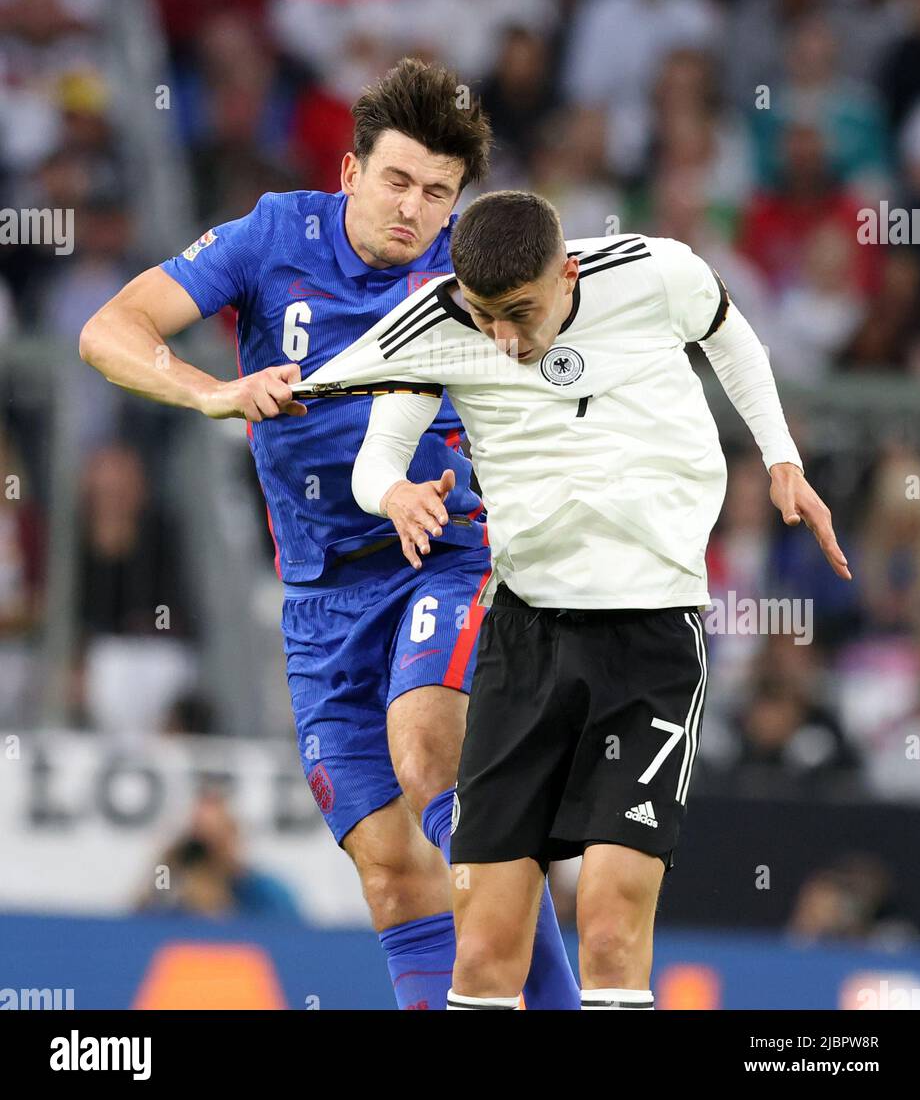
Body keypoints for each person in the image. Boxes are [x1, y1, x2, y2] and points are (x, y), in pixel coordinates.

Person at [78, 61, 578, 1010]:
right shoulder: (274, 235)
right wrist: (212, 391)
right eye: (396, 180)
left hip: (449, 553)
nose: (412, 209)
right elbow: (113, 328)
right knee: (390, 872)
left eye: (437, 193)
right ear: (349, 172)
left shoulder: (476, 271)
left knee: (427, 750)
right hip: (318, 596)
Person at [300, 190, 851, 1011]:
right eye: (486, 317)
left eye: (520, 312)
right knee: (484, 947)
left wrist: (779, 455)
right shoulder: (438, 323)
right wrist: (393, 496)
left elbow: (728, 334)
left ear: (567, 271)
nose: (503, 339)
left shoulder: (657, 271)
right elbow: (369, 450)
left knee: (609, 927)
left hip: (651, 642)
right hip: (523, 642)